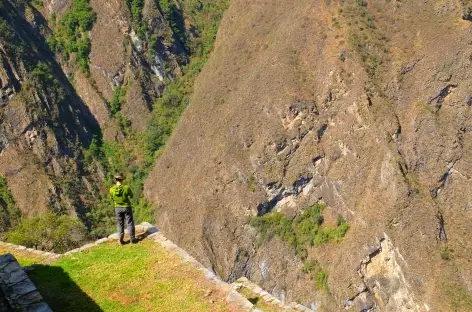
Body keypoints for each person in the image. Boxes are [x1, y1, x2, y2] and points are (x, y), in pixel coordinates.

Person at [109, 173, 137, 244]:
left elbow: (112, 198)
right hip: (126, 207)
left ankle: (121, 241)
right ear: (122, 180)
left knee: (120, 224)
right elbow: (131, 196)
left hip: (117, 208)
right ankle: (132, 240)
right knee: (129, 223)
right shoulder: (126, 188)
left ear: (116, 180)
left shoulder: (111, 189)